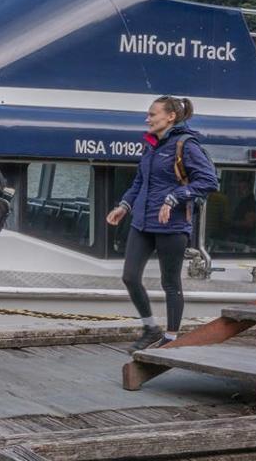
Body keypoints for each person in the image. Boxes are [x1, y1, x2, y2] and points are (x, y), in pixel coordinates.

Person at [106, 95, 219, 351]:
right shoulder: (151, 145)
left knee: (170, 282)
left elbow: (209, 182)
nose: (147, 119)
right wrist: (123, 207)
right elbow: (140, 182)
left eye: (152, 114)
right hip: (142, 223)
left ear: (170, 117)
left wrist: (174, 197)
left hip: (173, 225)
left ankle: (170, 338)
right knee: (130, 277)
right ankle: (150, 328)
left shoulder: (186, 145)